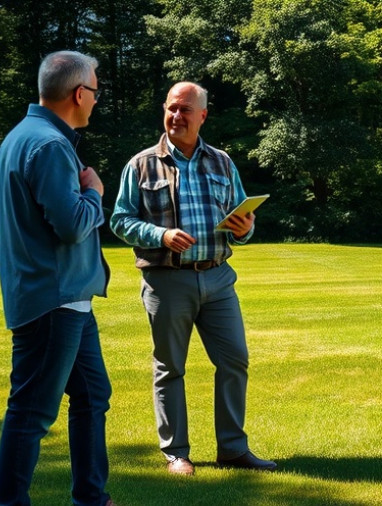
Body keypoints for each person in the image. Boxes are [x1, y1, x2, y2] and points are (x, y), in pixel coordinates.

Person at [110, 82, 276, 476]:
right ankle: (177, 453)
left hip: (218, 279)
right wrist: (160, 236)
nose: (176, 117)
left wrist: (244, 227)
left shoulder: (222, 162)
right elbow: (119, 219)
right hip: (167, 281)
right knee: (170, 367)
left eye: (186, 110)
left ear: (203, 116)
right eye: (171, 108)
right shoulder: (141, 164)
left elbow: (242, 222)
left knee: (235, 360)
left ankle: (233, 449)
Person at [0, 50, 113, 505]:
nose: (96, 100)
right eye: (96, 92)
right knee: (30, 413)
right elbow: (72, 224)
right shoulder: (49, 145)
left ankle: (92, 497)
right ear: (79, 94)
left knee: (92, 396)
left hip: (64, 299)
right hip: (52, 300)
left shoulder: (23, 136)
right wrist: (94, 191)